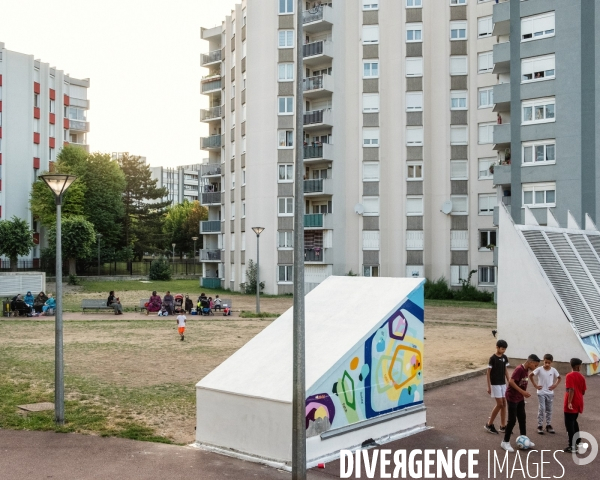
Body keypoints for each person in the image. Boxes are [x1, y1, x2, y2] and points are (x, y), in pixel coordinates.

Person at [501, 354, 541, 452]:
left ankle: (524, 439)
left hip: (519, 397)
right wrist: (522, 391)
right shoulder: (519, 369)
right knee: (512, 420)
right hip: (512, 397)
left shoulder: (527, 370)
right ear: (530, 362)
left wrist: (523, 393)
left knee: (522, 418)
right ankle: (505, 442)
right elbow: (511, 381)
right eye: (535, 365)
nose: (535, 368)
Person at [529, 354, 561, 435]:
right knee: (542, 408)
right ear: (543, 361)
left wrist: (555, 385)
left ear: (551, 362)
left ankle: (548, 425)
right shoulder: (539, 369)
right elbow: (530, 375)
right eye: (545, 362)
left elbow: (559, 378)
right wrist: (535, 385)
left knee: (549, 409)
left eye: (549, 363)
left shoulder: (553, 370)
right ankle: (539, 425)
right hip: (541, 392)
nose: (547, 364)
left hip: (550, 392)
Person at [485, 339, 511, 435]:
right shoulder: (493, 358)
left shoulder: (504, 357)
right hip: (495, 384)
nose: (503, 351)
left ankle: (503, 426)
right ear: (497, 347)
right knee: (499, 404)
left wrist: (509, 382)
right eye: (502, 349)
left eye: (505, 349)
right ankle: (489, 424)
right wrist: (489, 386)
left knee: (504, 403)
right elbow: (488, 373)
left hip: (502, 383)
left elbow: (506, 371)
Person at [563, 358, 587, 453]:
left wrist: (569, 402)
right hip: (579, 402)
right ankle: (578, 441)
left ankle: (572, 446)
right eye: (580, 365)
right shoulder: (582, 377)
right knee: (574, 421)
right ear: (577, 366)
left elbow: (571, 390)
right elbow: (583, 391)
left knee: (569, 425)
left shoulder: (569, 376)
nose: (580, 367)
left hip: (571, 403)